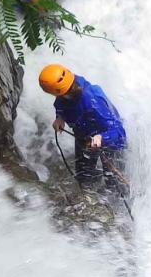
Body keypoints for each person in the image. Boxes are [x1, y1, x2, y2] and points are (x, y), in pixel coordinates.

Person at [39, 63, 128, 198]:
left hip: (110, 141)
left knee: (114, 184)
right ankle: (90, 200)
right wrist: (60, 118)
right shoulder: (67, 86)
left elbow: (119, 131)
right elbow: (61, 105)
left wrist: (101, 138)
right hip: (84, 136)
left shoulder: (93, 102)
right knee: (83, 177)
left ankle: (116, 209)